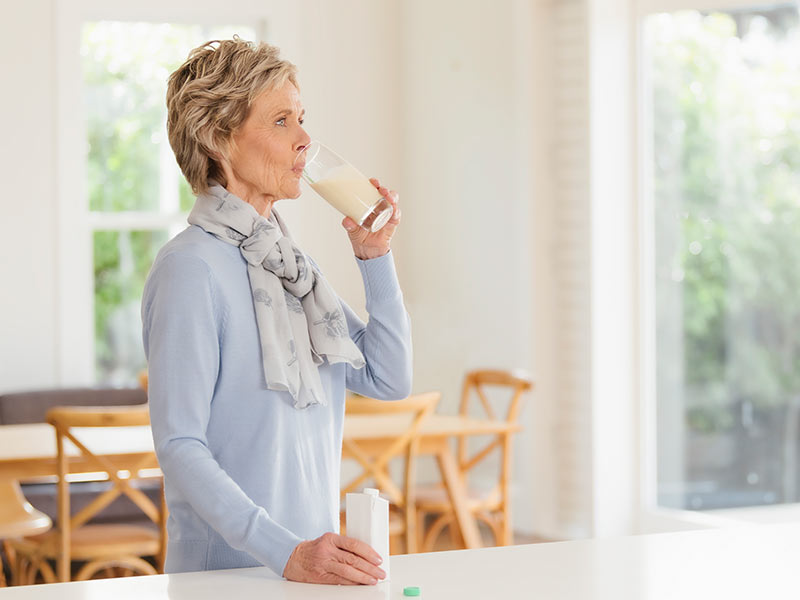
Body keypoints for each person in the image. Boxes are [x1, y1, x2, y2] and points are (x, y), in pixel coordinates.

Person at [141, 37, 412, 585]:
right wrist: (284, 551)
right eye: (282, 121)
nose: (306, 139)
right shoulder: (189, 269)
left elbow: (389, 377)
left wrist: (374, 257)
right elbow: (179, 446)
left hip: (310, 571)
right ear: (218, 138)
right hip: (227, 579)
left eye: (302, 118)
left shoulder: (292, 269)